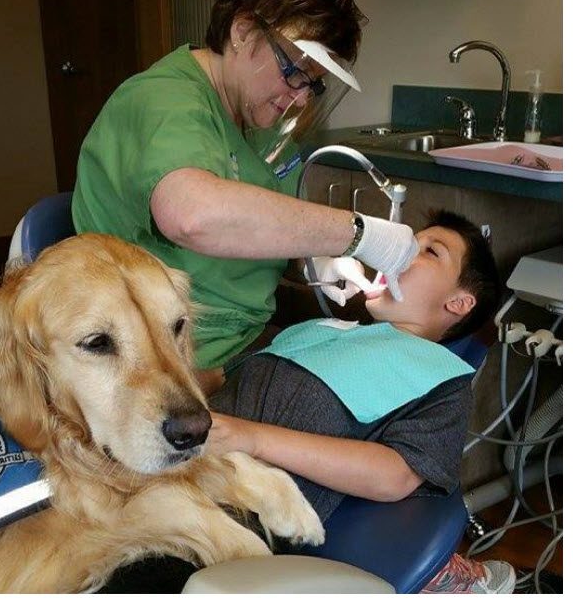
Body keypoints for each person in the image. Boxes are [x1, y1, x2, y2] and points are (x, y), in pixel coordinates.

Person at [100, 210, 513, 594]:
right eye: (408, 241)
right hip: (155, 469)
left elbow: (397, 476)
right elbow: (227, 377)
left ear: (458, 303)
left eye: (428, 251)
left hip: (230, 516)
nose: (403, 251)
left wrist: (253, 439)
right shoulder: (324, 328)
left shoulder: (440, 374)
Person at [71, 0, 418, 393]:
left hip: (245, 342)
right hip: (171, 363)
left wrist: (319, 261)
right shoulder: (163, 101)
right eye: (295, 72)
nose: (301, 98)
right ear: (243, 31)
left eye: (314, 85)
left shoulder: (259, 125)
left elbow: (269, 221)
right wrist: (359, 235)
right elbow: (193, 216)